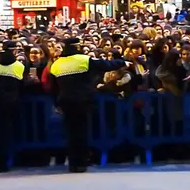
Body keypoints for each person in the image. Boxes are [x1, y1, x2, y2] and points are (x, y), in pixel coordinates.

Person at [48, 38, 130, 173]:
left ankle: (72, 163)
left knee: (71, 132)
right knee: (82, 131)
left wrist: (56, 102)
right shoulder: (83, 60)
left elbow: (53, 87)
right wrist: (122, 62)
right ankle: (81, 163)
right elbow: (105, 65)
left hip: (66, 102)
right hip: (83, 100)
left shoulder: (57, 64)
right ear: (77, 46)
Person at [0, 40, 26, 172]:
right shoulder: (19, 66)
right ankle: (5, 162)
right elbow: (22, 85)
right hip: (10, 103)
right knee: (7, 133)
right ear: (14, 50)